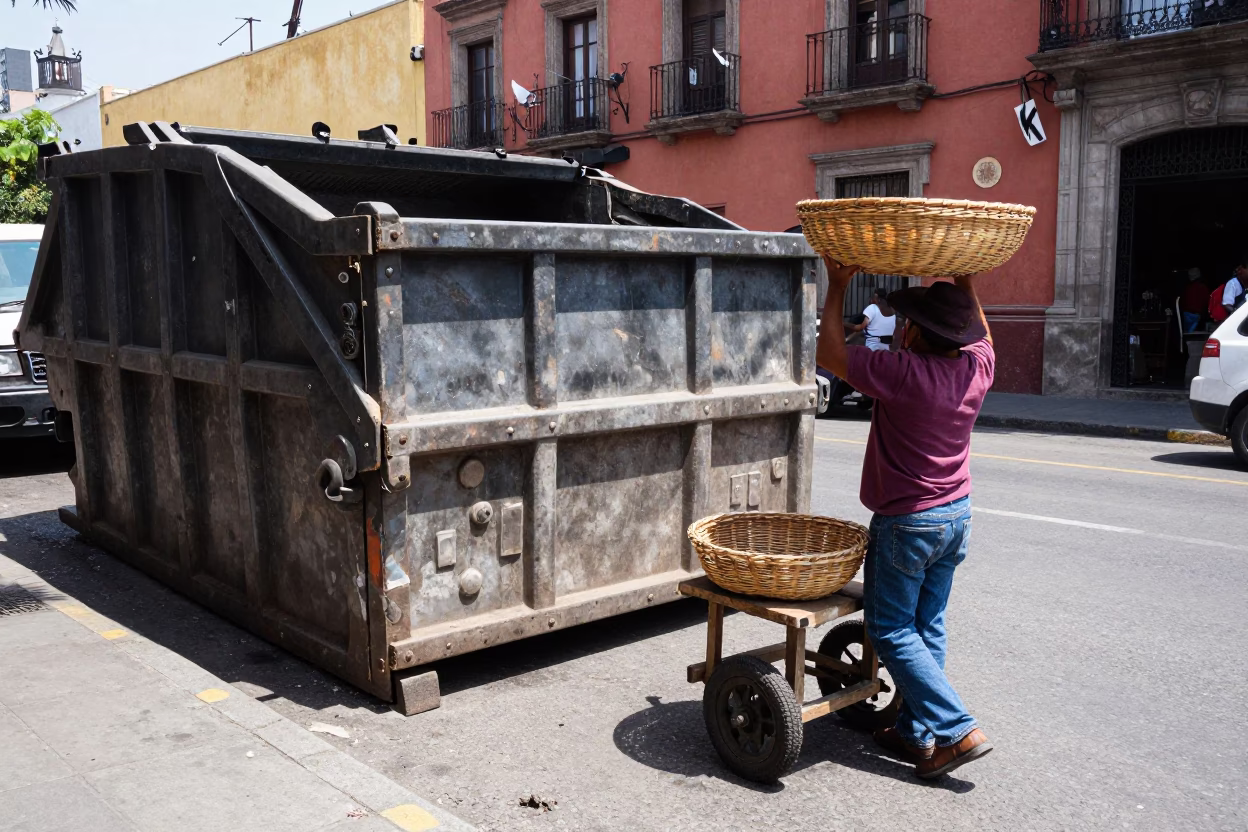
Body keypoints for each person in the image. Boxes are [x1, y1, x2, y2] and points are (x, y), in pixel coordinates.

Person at [815, 258, 994, 780]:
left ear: (912, 332)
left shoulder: (901, 372)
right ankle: (917, 732)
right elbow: (981, 333)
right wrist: (967, 280)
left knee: (890, 628)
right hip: (956, 516)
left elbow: (828, 353)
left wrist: (838, 284)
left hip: (908, 522)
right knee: (927, 624)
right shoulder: (976, 367)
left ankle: (957, 729)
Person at [845, 287, 897, 351]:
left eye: (873, 297)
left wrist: (844, 324)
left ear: (877, 297)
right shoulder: (892, 310)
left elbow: (859, 328)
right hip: (886, 349)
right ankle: (846, 340)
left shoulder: (872, 308)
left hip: (873, 348)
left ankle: (846, 340)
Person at [1179, 268, 1209, 333]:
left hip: (1187, 314)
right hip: (1196, 315)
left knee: (1187, 334)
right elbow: (1206, 302)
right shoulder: (1202, 287)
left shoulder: (1187, 287)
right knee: (1194, 336)